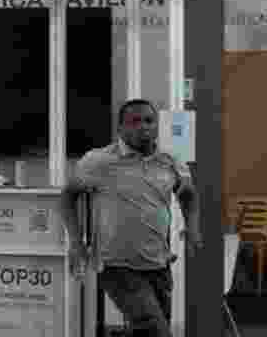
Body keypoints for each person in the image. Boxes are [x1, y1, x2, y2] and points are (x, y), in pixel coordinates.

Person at [62, 99, 201, 337]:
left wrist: (193, 227)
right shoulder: (98, 161)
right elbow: (67, 197)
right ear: (120, 129)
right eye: (134, 122)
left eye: (148, 121)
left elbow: (188, 194)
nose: (143, 127)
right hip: (116, 265)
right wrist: (76, 242)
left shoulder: (169, 160)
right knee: (154, 329)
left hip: (158, 263)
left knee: (148, 329)